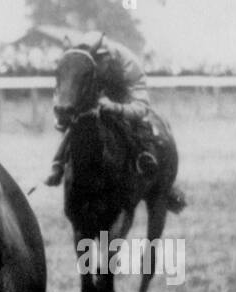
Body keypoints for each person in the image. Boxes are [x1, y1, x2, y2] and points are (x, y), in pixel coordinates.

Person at [44, 33, 158, 186]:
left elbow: (142, 107)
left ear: (108, 56)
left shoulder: (128, 63)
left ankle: (144, 156)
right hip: (95, 94)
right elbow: (63, 98)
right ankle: (58, 163)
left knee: (136, 122)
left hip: (124, 93)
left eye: (99, 59)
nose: (95, 65)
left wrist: (116, 107)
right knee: (77, 120)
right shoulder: (78, 64)